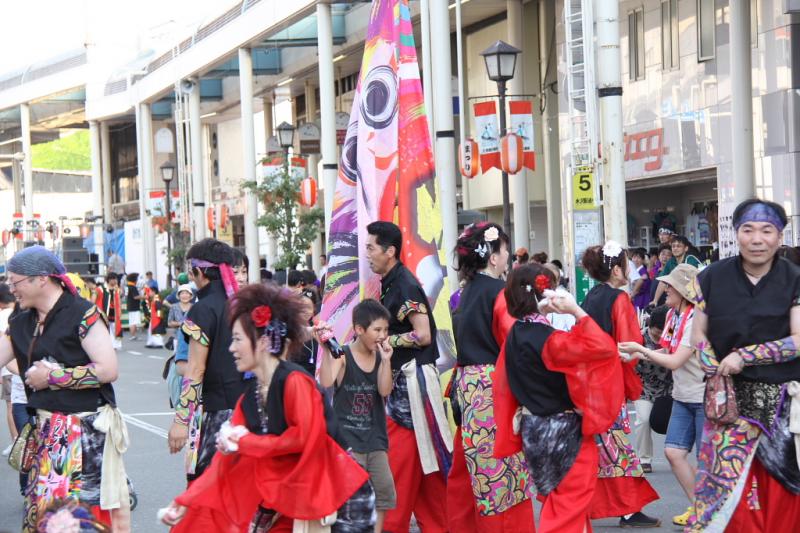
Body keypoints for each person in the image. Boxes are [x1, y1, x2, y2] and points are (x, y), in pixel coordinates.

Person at [160, 283, 369, 531]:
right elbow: (223, 463)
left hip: (338, 499)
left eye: (237, 339)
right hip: (297, 498)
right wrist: (186, 501)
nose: (231, 348)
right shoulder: (251, 396)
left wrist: (246, 442)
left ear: (262, 342)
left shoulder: (295, 382)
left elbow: (303, 438)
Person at [684, 199, 800, 530]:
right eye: (748, 230)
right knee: (721, 496)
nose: (757, 239)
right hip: (727, 407)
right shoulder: (710, 277)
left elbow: (798, 339)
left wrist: (745, 356)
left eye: (767, 231)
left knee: (784, 491)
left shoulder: (795, 278)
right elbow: (698, 335)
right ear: (736, 234)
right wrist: (713, 367)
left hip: (782, 407)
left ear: (780, 236)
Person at [0, 246, 129, 532]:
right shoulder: (21, 321)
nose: (10, 288)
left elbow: (108, 370)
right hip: (46, 433)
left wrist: (52, 377)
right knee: (48, 518)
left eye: (14, 281)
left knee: (82, 519)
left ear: (41, 279)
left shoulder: (83, 313)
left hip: (85, 433)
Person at [493, 264, 625, 533]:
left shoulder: (516, 332)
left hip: (534, 430)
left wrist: (541, 311)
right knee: (566, 512)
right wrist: (576, 311)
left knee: (561, 505)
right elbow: (603, 348)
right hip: (564, 432)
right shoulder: (550, 340)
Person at [446, 222, 535, 532]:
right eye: (505, 249)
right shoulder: (500, 293)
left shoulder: (462, 293)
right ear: (493, 257)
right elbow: (515, 344)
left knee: (468, 471)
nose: (508, 255)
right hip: (493, 389)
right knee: (501, 474)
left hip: (467, 388)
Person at [365, 221, 451, 533]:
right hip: (404, 387)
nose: (367, 254)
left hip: (411, 391)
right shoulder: (392, 282)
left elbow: (423, 334)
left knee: (401, 468)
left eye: (371, 248)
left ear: (390, 251)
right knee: (425, 473)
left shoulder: (404, 284)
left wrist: (386, 340)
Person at [580, 242, 660, 528]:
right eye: (626, 265)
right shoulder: (619, 299)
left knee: (599, 446)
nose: (630, 270)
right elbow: (630, 344)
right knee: (616, 445)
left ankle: (589, 505)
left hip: (588, 380)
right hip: (609, 379)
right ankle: (627, 509)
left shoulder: (590, 297)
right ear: (616, 270)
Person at [619, 264, 704, 527]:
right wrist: (637, 353)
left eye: (670, 285)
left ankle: (712, 512)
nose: (664, 288)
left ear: (684, 290)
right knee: (673, 453)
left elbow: (675, 360)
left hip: (703, 397)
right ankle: (700, 507)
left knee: (707, 462)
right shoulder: (673, 315)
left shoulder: (696, 318)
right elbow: (668, 352)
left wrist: (641, 351)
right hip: (682, 395)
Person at [167, 238, 244, 484]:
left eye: (192, 272)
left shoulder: (202, 309)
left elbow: (195, 369)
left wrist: (181, 420)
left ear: (200, 272)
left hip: (219, 413)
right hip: (250, 410)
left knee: (208, 485)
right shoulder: (244, 305)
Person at [316, 299, 396, 532]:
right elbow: (326, 381)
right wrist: (326, 350)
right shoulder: (343, 355)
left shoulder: (381, 357)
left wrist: (387, 362)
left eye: (385, 330)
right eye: (377, 330)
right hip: (348, 442)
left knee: (383, 492)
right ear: (359, 329)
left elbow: (384, 391)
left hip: (376, 440)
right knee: (351, 499)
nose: (383, 335)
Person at [630, 305, 671, 475]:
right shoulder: (638, 338)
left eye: (663, 332)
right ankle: (644, 459)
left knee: (671, 422)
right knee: (644, 420)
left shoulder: (672, 336)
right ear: (650, 325)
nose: (660, 337)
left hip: (669, 387)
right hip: (643, 387)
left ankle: (677, 455)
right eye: (656, 333)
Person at [651, 235, 702, 305]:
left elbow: (695, 283)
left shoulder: (691, 259)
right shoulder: (671, 261)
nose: (675, 248)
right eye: (673, 246)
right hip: (680, 299)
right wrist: (655, 300)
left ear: (686, 248)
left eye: (678, 246)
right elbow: (663, 282)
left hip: (695, 298)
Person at [99, 274, 123, 349]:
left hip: (115, 311)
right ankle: (110, 344)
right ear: (109, 280)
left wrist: (120, 310)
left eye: (116, 279)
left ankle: (116, 344)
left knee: (115, 327)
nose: (115, 281)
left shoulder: (117, 289)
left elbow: (120, 299)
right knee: (107, 328)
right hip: (106, 311)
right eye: (113, 279)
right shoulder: (102, 288)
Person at [630, 248, 651, 312]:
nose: (636, 260)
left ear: (642, 260)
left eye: (638, 257)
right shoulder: (635, 271)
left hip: (642, 300)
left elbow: (640, 288)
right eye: (634, 257)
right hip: (638, 298)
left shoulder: (643, 272)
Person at [125, 273, 142, 340]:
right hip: (134, 306)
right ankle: (133, 336)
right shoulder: (133, 287)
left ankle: (133, 335)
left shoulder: (127, 286)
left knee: (132, 321)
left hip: (130, 305)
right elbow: (136, 297)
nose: (137, 280)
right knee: (133, 322)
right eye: (136, 279)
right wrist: (145, 297)